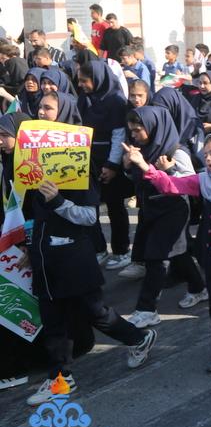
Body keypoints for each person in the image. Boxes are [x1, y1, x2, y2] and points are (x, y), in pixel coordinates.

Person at [23, 132, 157, 406]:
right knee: (53, 322)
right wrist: (30, 247)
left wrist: (58, 200)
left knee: (96, 312)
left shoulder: (79, 174)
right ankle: (61, 378)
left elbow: (88, 216)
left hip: (72, 260)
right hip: (45, 261)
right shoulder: (34, 176)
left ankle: (139, 337)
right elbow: (35, 219)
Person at [127, 135, 211, 372]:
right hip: (209, 249)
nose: (209, 158)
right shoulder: (204, 180)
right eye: (207, 154)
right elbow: (173, 185)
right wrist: (142, 164)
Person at [121, 107, 207, 326]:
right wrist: (127, 166)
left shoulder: (176, 151)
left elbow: (192, 183)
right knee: (178, 253)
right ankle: (199, 288)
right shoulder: (143, 148)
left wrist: (168, 171)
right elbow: (138, 179)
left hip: (174, 210)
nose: (134, 135)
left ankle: (147, 309)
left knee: (156, 258)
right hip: (151, 208)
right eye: (131, 130)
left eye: (138, 130)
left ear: (153, 127)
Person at [77, 60, 134, 269]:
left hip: (110, 161)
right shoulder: (85, 99)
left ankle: (121, 251)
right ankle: (98, 248)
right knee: (89, 204)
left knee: (115, 206)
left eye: (85, 80)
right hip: (89, 160)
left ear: (98, 78)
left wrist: (111, 165)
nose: (81, 84)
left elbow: (119, 135)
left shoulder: (116, 101)